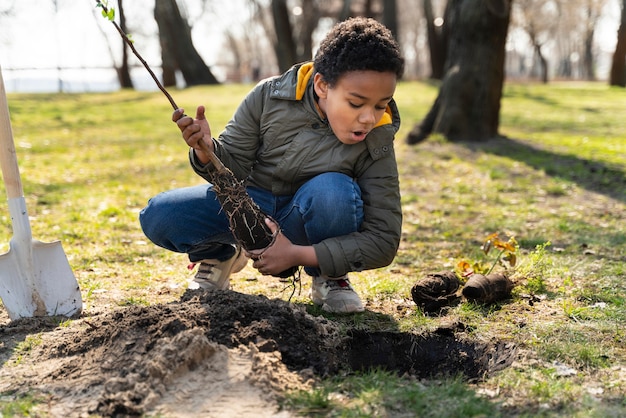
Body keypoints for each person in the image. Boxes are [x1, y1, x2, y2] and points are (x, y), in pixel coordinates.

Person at [139, 16, 405, 314]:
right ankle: (219, 256)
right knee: (159, 215)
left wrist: (296, 254)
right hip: (249, 209)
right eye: (356, 103)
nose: (369, 117)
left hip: (307, 221)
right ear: (322, 85)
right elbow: (234, 167)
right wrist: (206, 150)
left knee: (335, 191)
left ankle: (331, 278)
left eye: (381, 105)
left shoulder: (377, 136)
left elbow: (383, 239)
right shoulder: (269, 95)